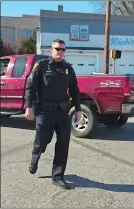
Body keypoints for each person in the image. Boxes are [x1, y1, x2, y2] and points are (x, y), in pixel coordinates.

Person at [24, 39, 82, 189]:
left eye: (63, 49)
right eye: (57, 49)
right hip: (45, 112)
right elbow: (30, 88)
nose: (60, 52)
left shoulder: (68, 69)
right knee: (42, 140)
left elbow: (75, 90)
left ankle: (58, 176)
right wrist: (28, 107)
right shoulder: (41, 66)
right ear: (51, 50)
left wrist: (78, 110)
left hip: (62, 112)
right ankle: (35, 158)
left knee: (63, 144)